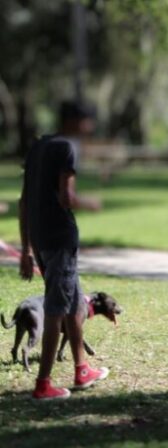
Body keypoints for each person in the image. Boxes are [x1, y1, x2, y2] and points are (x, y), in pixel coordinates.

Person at [19, 100, 106, 400]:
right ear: (74, 121)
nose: (90, 128)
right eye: (87, 122)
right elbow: (67, 198)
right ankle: (43, 384)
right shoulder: (67, 147)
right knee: (57, 309)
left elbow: (23, 200)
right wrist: (90, 203)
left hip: (41, 238)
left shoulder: (39, 146)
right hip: (60, 237)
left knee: (72, 304)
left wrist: (26, 248)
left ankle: (82, 368)